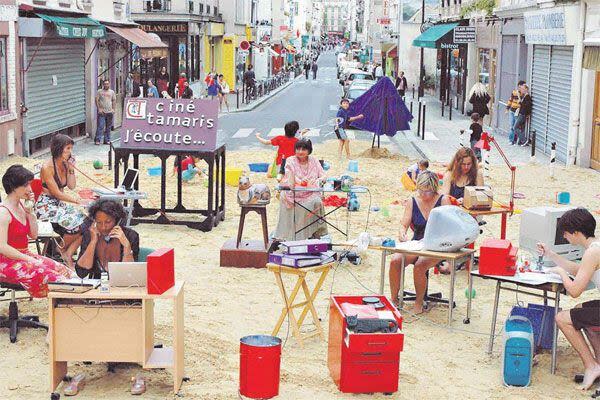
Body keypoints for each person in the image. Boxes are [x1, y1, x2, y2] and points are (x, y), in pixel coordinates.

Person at [537, 208, 600, 390]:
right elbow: (581, 270)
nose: (564, 237)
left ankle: (591, 366)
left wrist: (561, 273)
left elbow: (574, 291)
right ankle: (598, 365)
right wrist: (551, 255)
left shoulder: (592, 252)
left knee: (562, 318)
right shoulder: (595, 246)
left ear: (576, 232)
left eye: (565, 233)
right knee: (581, 309)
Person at [0, 165, 73, 298]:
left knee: (65, 271)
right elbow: (3, 247)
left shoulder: (22, 205)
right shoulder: (3, 213)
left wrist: (30, 212)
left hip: (23, 255)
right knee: (55, 279)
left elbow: (33, 235)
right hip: (6, 260)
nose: (29, 189)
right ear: (13, 187)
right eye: (26, 185)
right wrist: (28, 259)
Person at [389, 171, 452, 312]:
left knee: (420, 265)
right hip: (417, 243)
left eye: (427, 192)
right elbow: (403, 224)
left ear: (434, 189)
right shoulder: (413, 201)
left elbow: (450, 229)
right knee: (395, 261)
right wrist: (402, 233)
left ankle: (419, 303)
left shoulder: (443, 200)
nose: (423, 195)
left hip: (437, 246)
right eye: (420, 191)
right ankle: (394, 299)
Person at [35, 134, 88, 269]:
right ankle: (61, 249)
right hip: (46, 205)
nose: (70, 152)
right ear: (59, 149)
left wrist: (71, 169)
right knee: (75, 223)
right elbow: (56, 193)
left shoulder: (65, 164)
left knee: (88, 222)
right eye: (68, 149)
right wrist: (78, 201)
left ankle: (66, 252)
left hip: (59, 204)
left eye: (71, 149)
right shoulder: (47, 167)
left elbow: (71, 186)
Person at [274, 139, 328, 241]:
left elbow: (323, 175)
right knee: (290, 200)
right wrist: (301, 181)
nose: (300, 151)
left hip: (310, 191)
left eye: (303, 149)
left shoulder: (314, 160)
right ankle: (294, 235)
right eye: (298, 149)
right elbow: (290, 176)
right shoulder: (290, 160)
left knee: (317, 202)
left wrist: (319, 180)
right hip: (293, 192)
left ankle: (313, 232)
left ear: (309, 150)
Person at [75, 199, 140, 279]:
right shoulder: (90, 235)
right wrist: (93, 242)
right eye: (99, 222)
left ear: (117, 221)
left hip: (121, 284)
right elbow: (81, 272)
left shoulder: (131, 236)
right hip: (97, 286)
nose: (103, 227)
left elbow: (130, 274)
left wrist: (127, 246)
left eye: (108, 222)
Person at [95, 79, 116, 145]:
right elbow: (96, 100)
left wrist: (113, 109)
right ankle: (98, 140)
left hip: (109, 112)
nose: (106, 85)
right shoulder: (99, 91)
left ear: (109, 84)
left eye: (107, 84)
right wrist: (99, 109)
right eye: (105, 84)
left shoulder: (112, 92)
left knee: (108, 127)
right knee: (100, 126)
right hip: (102, 112)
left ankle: (107, 140)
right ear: (103, 85)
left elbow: (114, 100)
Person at [505, 80, 525, 145]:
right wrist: (507, 108)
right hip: (512, 110)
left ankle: (517, 140)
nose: (521, 88)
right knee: (511, 125)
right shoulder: (514, 92)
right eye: (520, 86)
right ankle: (511, 140)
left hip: (518, 111)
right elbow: (510, 100)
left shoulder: (524, 94)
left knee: (516, 126)